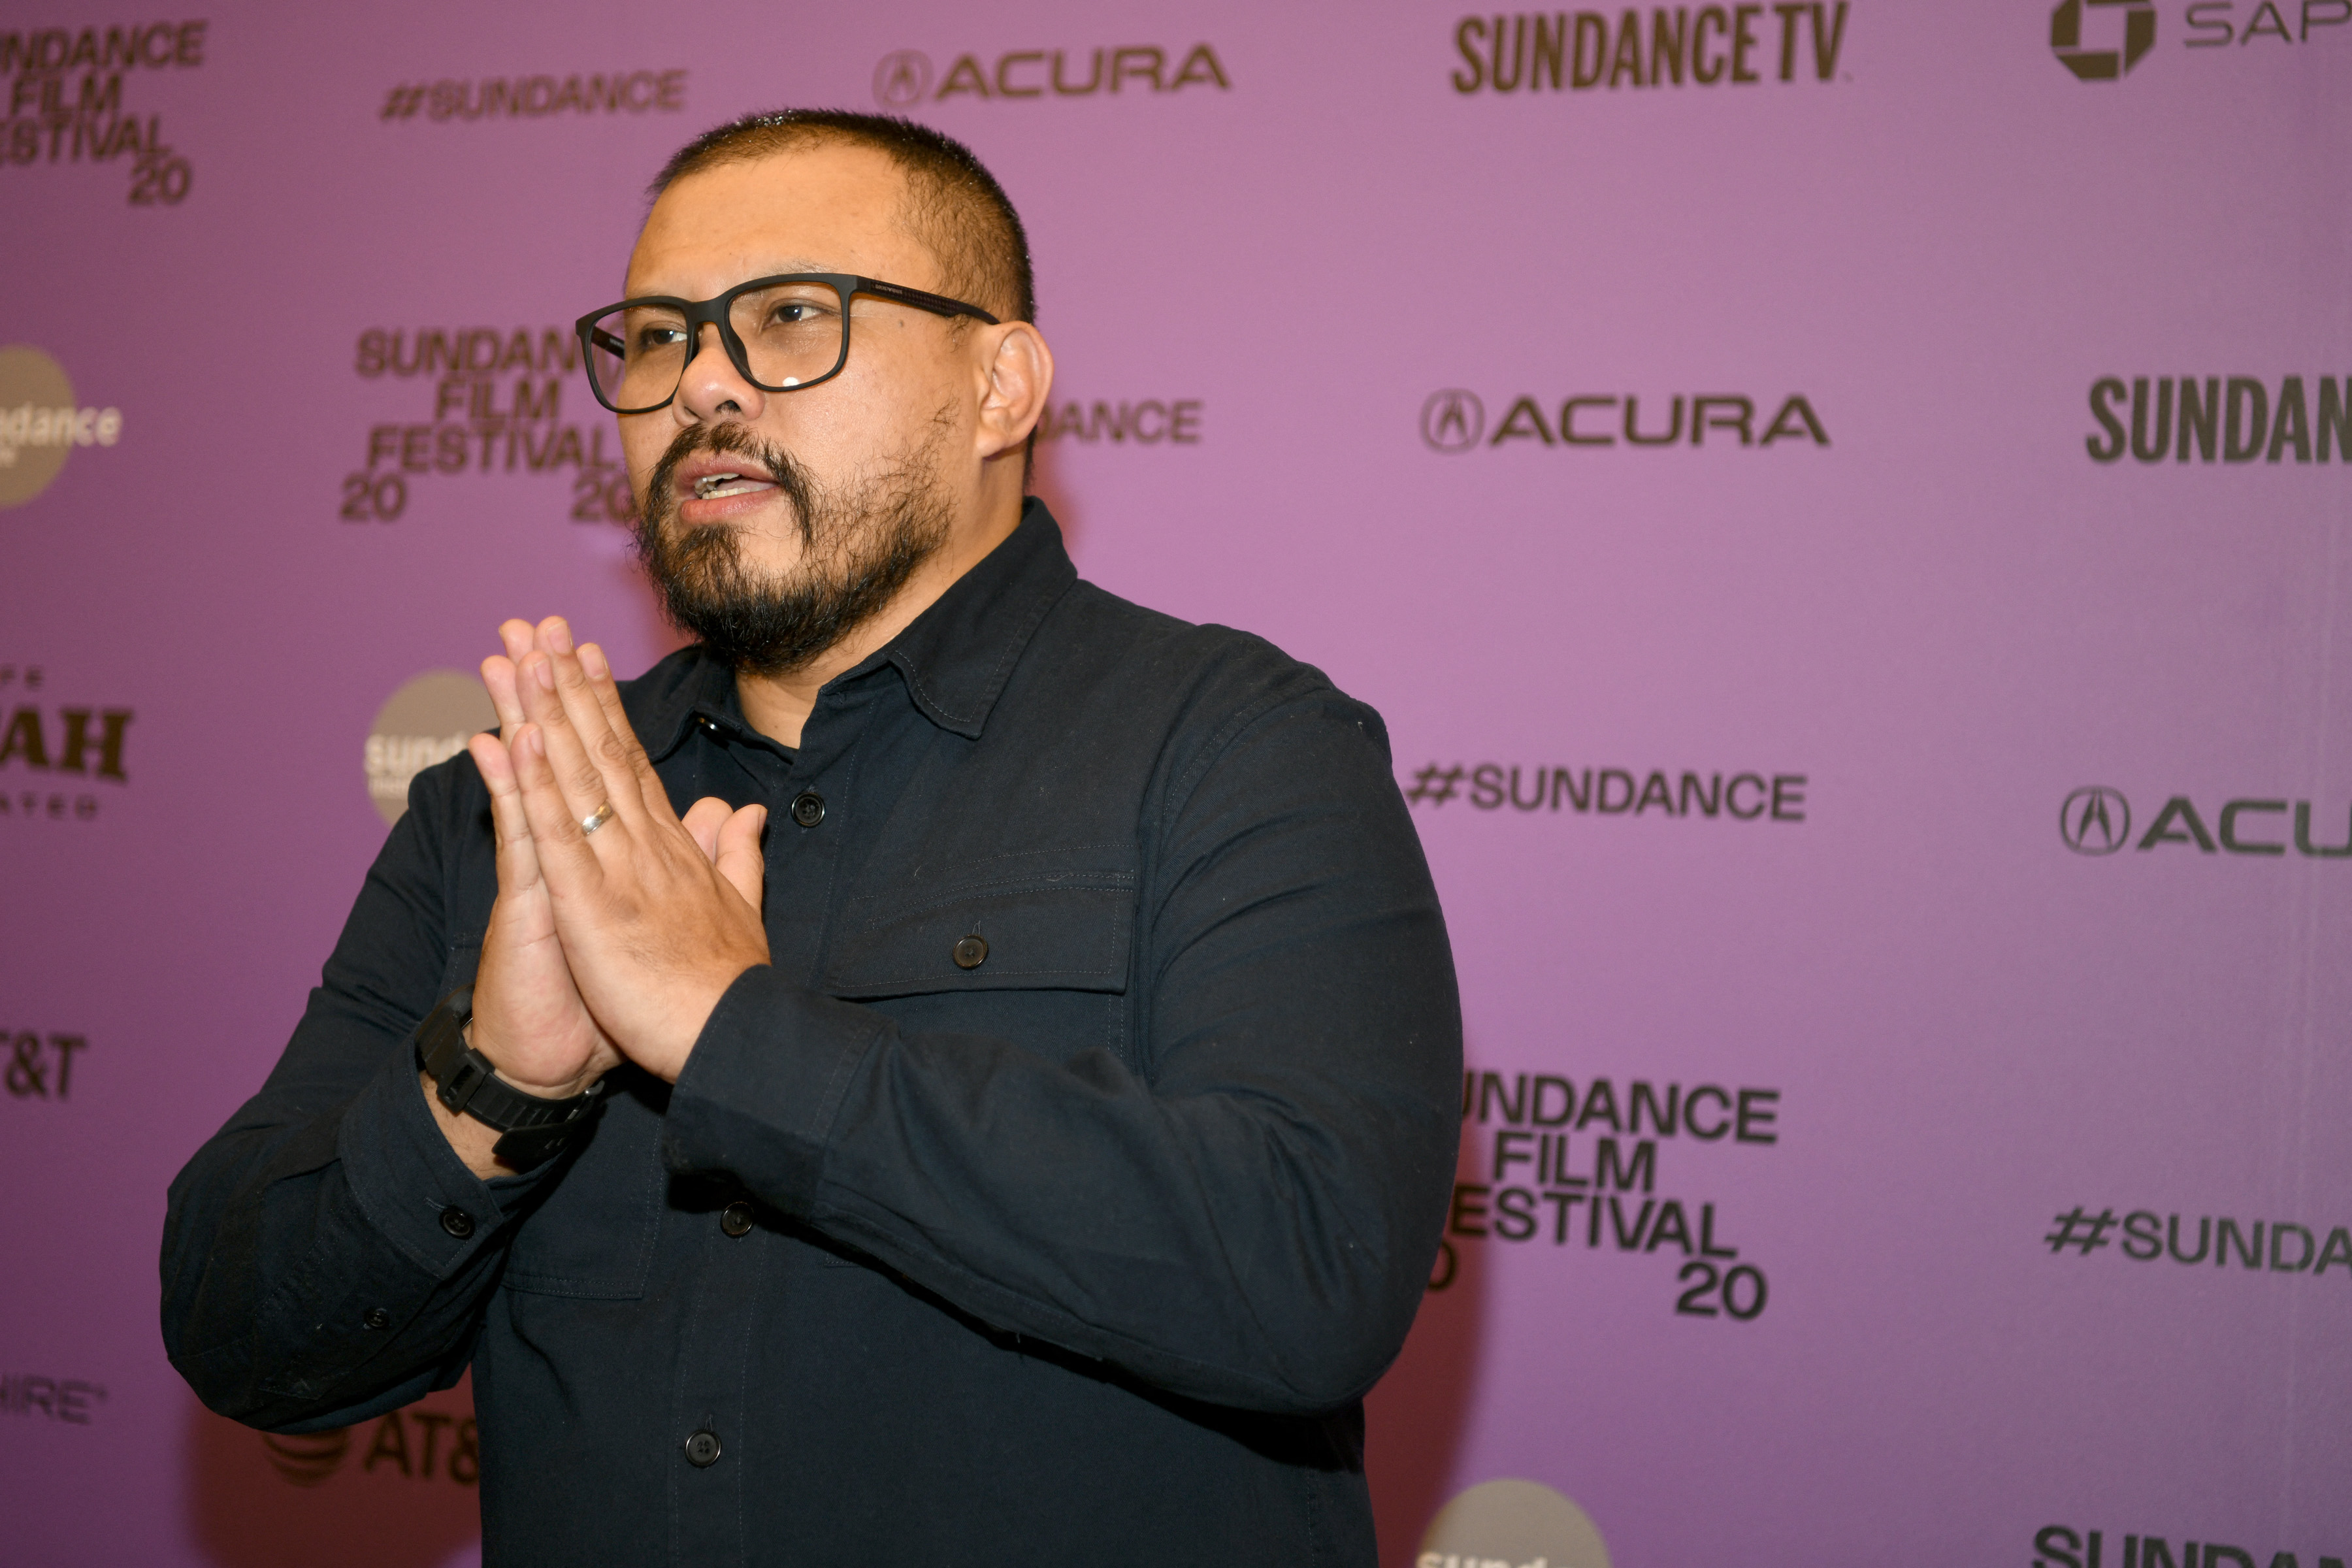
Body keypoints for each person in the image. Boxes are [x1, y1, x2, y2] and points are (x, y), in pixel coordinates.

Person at [163, 109, 1460, 1564]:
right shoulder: (519, 800)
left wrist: (732, 1033)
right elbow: (246, 1334)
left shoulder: (1234, 743)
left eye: (791, 317)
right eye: (656, 339)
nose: (701, 384)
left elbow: (1311, 1270)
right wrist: (496, 1090)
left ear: (999, 385)